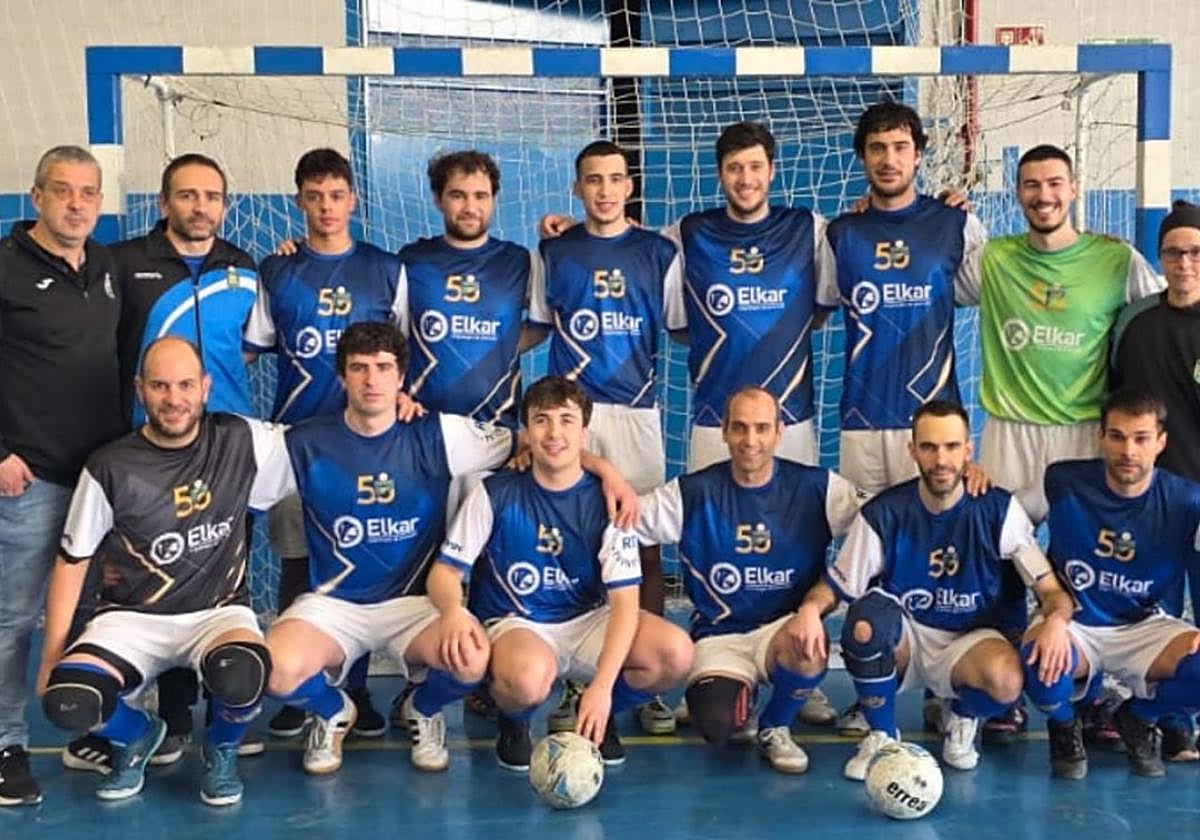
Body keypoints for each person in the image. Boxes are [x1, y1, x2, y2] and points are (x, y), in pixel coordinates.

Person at [66, 152, 263, 774]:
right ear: (163, 202)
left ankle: (219, 713)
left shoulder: (242, 267)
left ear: (225, 206)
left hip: (227, 457)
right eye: (186, 194)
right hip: (149, 459)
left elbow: (249, 350)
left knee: (216, 581)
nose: (199, 206)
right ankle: (169, 720)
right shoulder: (123, 264)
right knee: (156, 587)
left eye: (211, 195)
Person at [36, 337, 293, 806]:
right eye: (160, 386)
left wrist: (397, 415)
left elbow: (335, 440)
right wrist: (51, 657)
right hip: (130, 620)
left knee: (243, 676)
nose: (174, 399)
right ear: (140, 390)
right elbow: (72, 563)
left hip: (217, 615)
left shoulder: (242, 438)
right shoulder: (110, 466)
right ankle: (136, 734)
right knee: (66, 701)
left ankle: (221, 749)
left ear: (205, 387)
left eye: (185, 385)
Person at [262, 321, 523, 773]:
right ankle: (332, 710)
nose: (371, 380)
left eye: (383, 368)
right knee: (273, 670)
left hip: (415, 603)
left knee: (472, 660)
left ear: (402, 377)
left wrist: (601, 470)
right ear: (341, 377)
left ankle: (423, 708)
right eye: (358, 368)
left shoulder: (438, 434)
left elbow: (535, 442)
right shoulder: (303, 442)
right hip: (334, 605)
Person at [793, 400, 1072, 777]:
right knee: (864, 625)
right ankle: (882, 734)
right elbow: (837, 584)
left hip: (969, 641)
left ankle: (961, 717)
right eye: (929, 447)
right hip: (907, 634)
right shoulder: (884, 513)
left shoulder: (998, 510)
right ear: (913, 451)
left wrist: (1055, 620)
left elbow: (1050, 589)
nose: (941, 459)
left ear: (968, 450)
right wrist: (810, 611)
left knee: (1008, 681)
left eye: (952, 447)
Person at [433, 376, 693, 770]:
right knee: (527, 677)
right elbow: (445, 573)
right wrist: (454, 612)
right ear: (526, 431)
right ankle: (515, 722)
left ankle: (595, 717)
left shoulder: (609, 501)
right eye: (542, 420)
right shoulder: (495, 493)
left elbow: (625, 604)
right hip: (519, 623)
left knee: (675, 653)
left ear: (584, 433)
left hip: (588, 619)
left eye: (566, 420)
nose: (554, 433)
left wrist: (603, 688)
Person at [245, 148, 406, 741]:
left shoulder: (387, 270)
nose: (326, 207)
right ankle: (304, 687)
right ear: (298, 202)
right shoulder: (278, 270)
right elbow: (256, 345)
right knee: (296, 561)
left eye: (336, 195)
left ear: (353, 199)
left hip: (368, 446)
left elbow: (404, 354)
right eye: (314, 197)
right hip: (295, 441)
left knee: (360, 566)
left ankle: (357, 688)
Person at [525, 140, 684, 734]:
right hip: (569, 416)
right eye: (593, 180)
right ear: (577, 187)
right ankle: (577, 676)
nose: (605, 190)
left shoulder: (658, 252)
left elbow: (685, 329)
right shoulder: (554, 251)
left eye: (615, 179)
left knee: (642, 543)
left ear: (629, 188)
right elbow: (536, 328)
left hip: (636, 412)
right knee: (572, 540)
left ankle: (645, 683)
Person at [633, 386, 861, 772]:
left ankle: (776, 725)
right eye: (739, 428)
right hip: (720, 637)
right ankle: (745, 698)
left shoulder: (819, 488)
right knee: (719, 727)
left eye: (761, 428)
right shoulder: (693, 492)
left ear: (779, 432)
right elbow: (623, 519)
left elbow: (884, 521)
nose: (750, 440)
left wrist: (822, 598)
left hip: (785, 631)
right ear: (723, 431)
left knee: (810, 650)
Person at [0, 145, 124, 806]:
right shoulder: (5, 267)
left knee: (86, 617)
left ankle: (80, 728)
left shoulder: (105, 265)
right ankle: (6, 745)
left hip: (98, 484)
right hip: (29, 481)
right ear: (36, 196)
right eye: (62, 190)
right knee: (12, 620)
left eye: (87, 192)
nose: (76, 203)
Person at [975, 144, 1162, 525]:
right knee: (998, 552)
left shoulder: (1116, 258)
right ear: (1017, 194)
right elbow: (929, 274)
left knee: (1083, 548)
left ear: (1074, 188)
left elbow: (1161, 313)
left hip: (1084, 430)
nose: (1044, 195)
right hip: (1009, 431)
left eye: (1055, 183)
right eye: (1031, 185)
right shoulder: (992, 258)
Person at [1023, 389, 1200, 779]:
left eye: (1141, 438)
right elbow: (1009, 526)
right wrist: (1048, 599)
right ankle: (1064, 725)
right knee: (1039, 663)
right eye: (1117, 436)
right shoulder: (1063, 481)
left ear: (1161, 442)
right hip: (1075, 623)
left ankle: (1139, 717)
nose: (1129, 451)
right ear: (1101, 437)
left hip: (1143, 626)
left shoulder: (1188, 501)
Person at [826, 101, 986, 496]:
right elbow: (814, 309)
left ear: (918, 154)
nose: (889, 159)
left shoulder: (956, 223)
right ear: (862, 156)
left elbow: (976, 292)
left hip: (933, 422)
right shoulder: (841, 234)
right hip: (861, 420)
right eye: (877, 148)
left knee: (933, 540)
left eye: (900, 146)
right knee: (865, 545)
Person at [1111, 201, 1200, 760]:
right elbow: (1116, 407)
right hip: (1151, 506)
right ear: (1160, 258)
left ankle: (1171, 709)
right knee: (1155, 625)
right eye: (1173, 252)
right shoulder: (1135, 323)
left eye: (1195, 252)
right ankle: (1163, 719)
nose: (1185, 263)